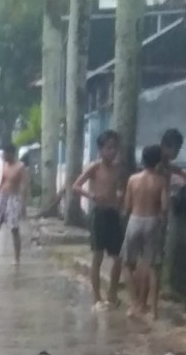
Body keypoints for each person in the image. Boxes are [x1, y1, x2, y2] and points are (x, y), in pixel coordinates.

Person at [72, 129, 123, 311]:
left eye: (115, 148)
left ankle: (112, 294)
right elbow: (76, 186)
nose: (113, 151)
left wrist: (119, 195)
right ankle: (96, 298)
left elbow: (117, 188)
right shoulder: (95, 167)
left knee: (118, 257)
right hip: (99, 214)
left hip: (113, 213)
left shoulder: (117, 169)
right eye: (109, 148)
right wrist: (92, 195)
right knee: (98, 256)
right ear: (101, 150)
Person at [121, 144, 168, 320]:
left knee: (127, 264)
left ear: (142, 160)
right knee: (152, 267)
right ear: (158, 162)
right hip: (152, 221)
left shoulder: (133, 179)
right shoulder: (161, 181)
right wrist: (160, 218)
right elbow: (164, 206)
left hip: (135, 220)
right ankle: (153, 310)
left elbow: (127, 205)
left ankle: (134, 304)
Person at [0, 143, 26, 264]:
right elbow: (2, 181)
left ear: (11, 154)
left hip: (13, 197)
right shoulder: (5, 165)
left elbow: (23, 186)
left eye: (6, 154)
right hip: (2, 196)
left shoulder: (20, 167)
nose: (4, 156)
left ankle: (17, 258)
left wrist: (22, 205)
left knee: (14, 229)